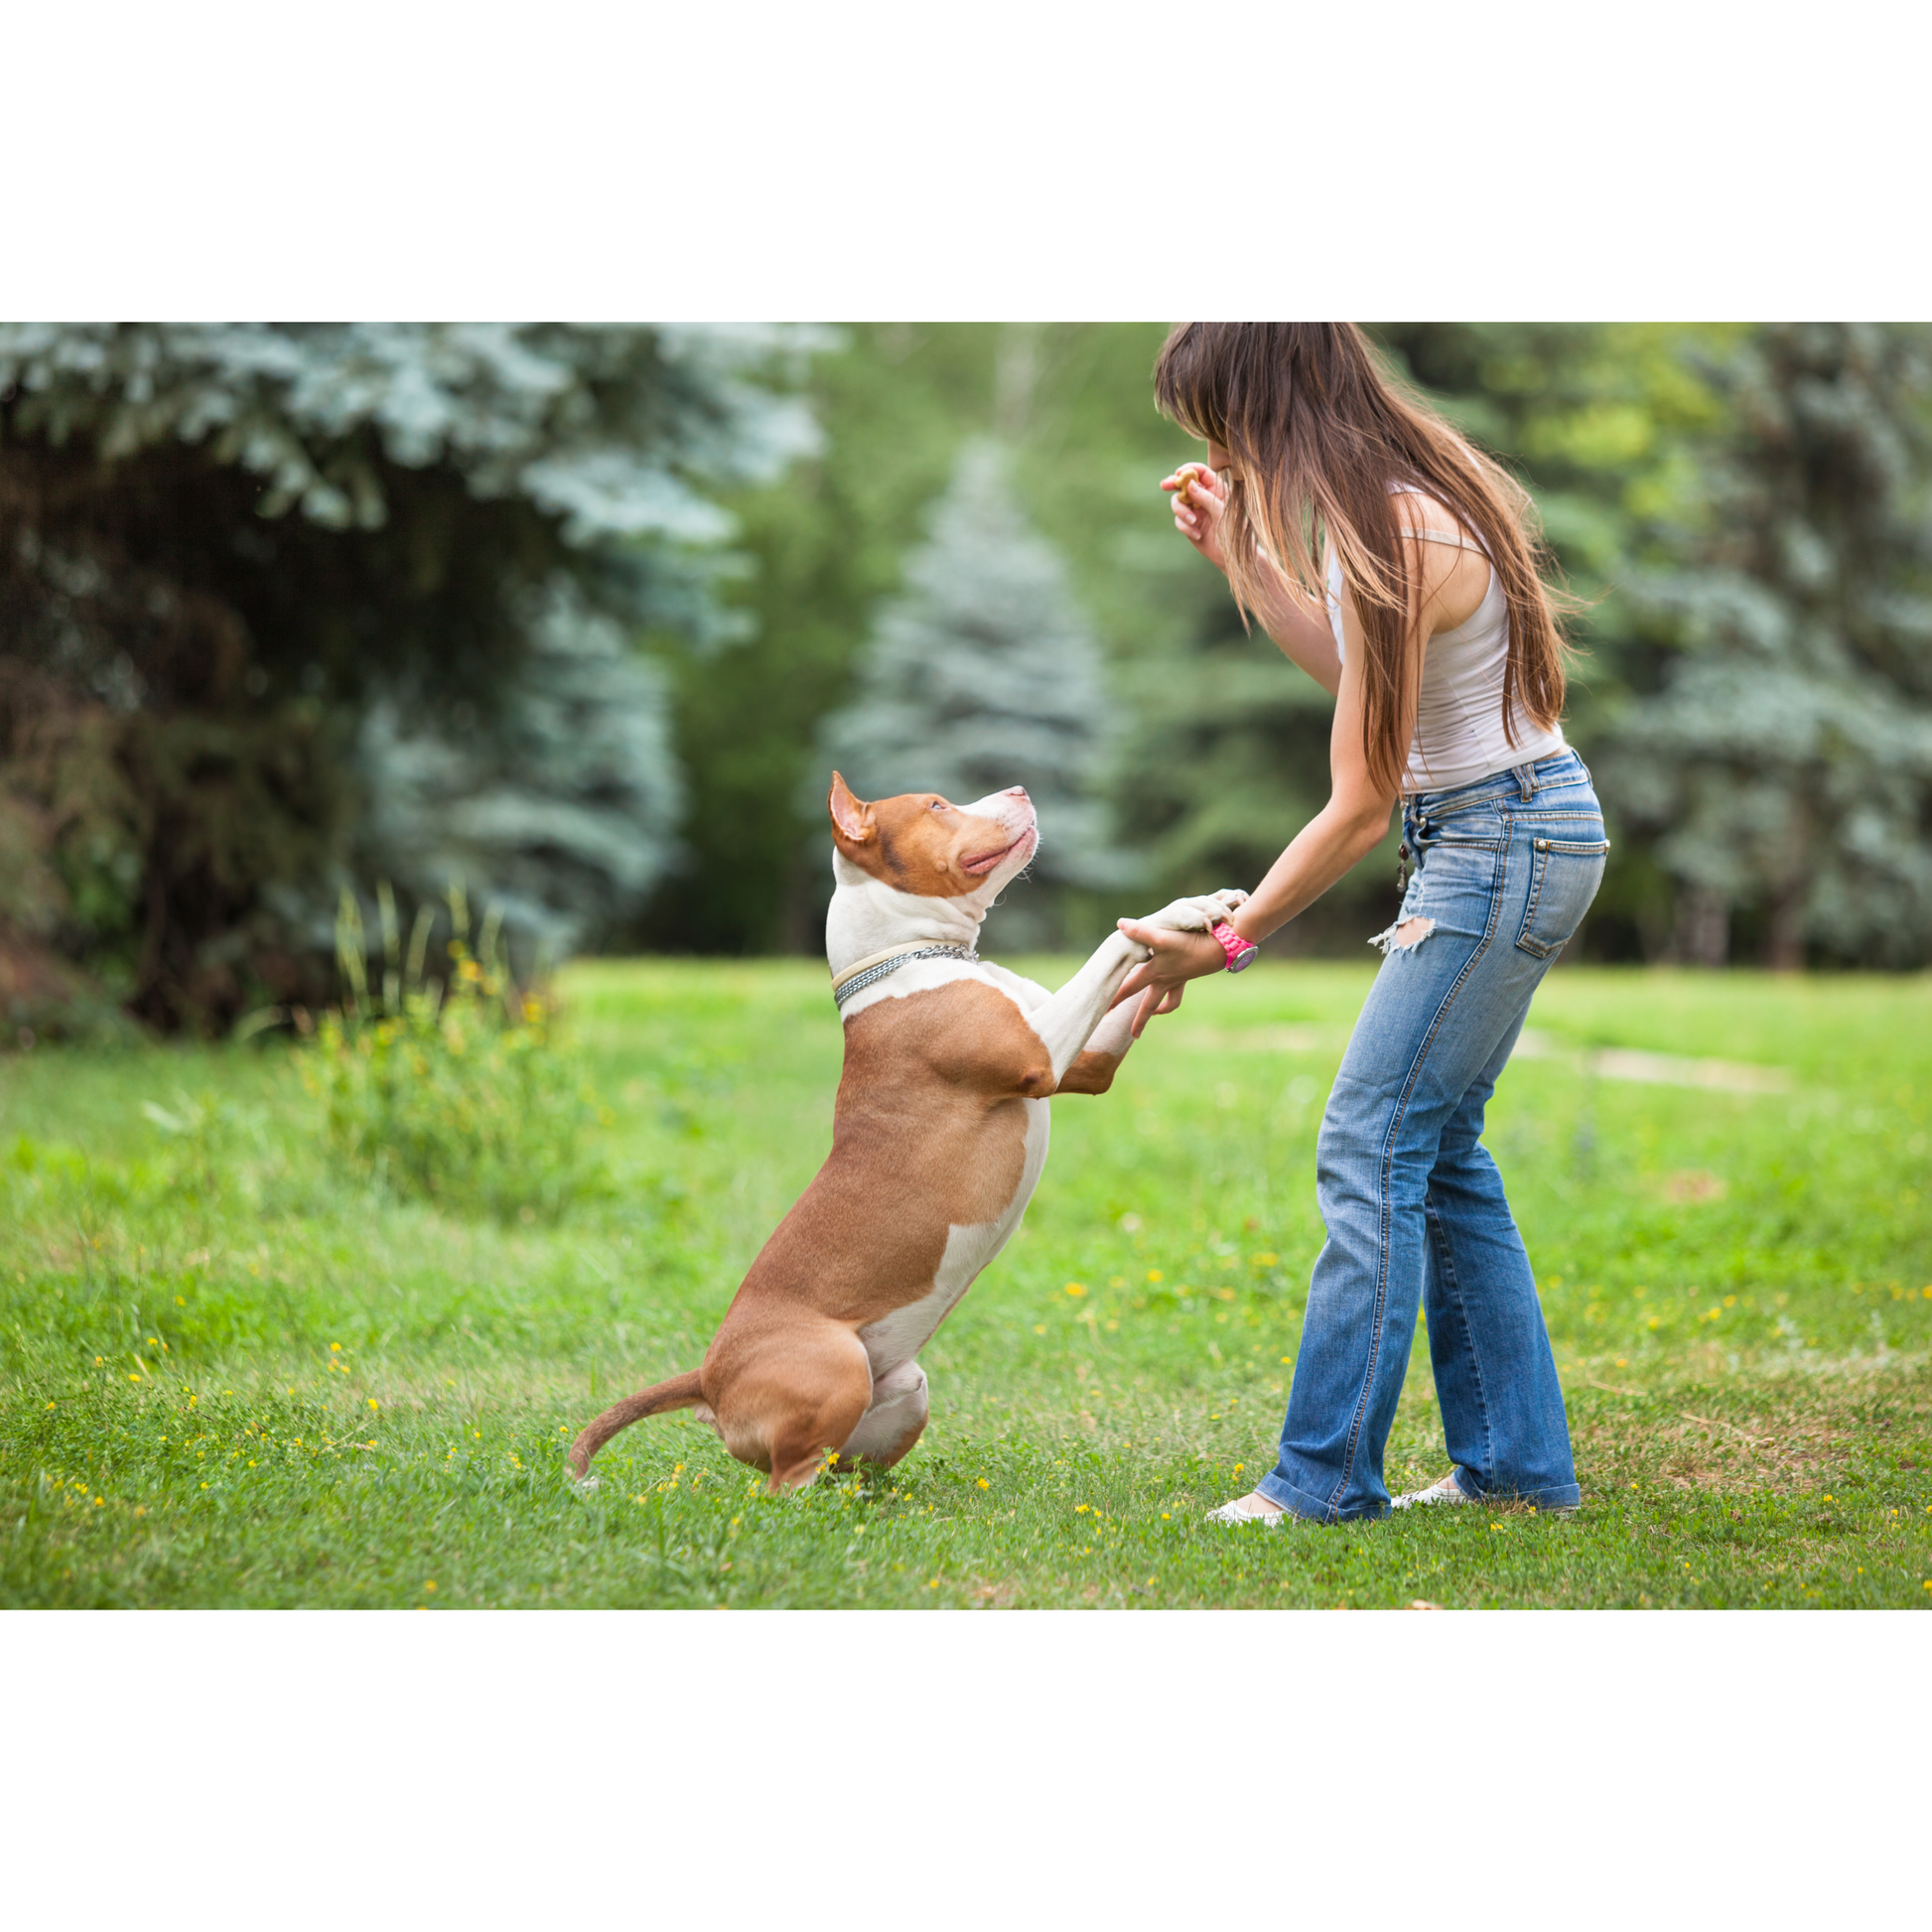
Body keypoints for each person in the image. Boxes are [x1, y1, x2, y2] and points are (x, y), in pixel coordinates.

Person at [1113, 322, 1605, 1524]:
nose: (1224, 458)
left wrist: (1229, 940)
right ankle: (1515, 1469)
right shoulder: (1403, 489)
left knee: (1369, 1140)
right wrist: (1249, 563)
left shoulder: (1392, 518)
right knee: (1433, 1152)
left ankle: (1323, 1478)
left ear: (1264, 409)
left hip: (1497, 841)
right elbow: (1365, 673)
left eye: (1222, 432)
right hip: (1513, 833)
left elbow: (1358, 801)